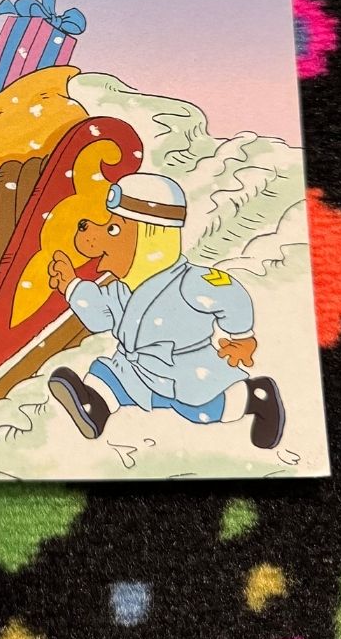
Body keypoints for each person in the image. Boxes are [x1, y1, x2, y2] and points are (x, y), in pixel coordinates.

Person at [46, 172, 285, 449]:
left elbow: (231, 296)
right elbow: (99, 317)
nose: (95, 232)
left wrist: (242, 337)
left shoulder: (189, 282)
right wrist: (72, 286)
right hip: (136, 367)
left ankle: (258, 397)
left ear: (151, 240)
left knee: (205, 409)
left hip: (185, 368)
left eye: (113, 230)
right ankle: (95, 406)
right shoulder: (121, 289)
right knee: (111, 377)